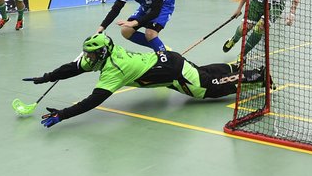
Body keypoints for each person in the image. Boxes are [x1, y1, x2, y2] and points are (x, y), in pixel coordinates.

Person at [23, 34, 269, 128]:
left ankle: (257, 76)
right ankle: (236, 67)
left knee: (207, 89)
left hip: (172, 70)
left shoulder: (114, 70)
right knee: (202, 73)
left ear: (102, 53)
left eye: (90, 54)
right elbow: (72, 68)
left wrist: (63, 115)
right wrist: (45, 78)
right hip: (166, 65)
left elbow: (93, 101)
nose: (87, 58)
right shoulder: (102, 57)